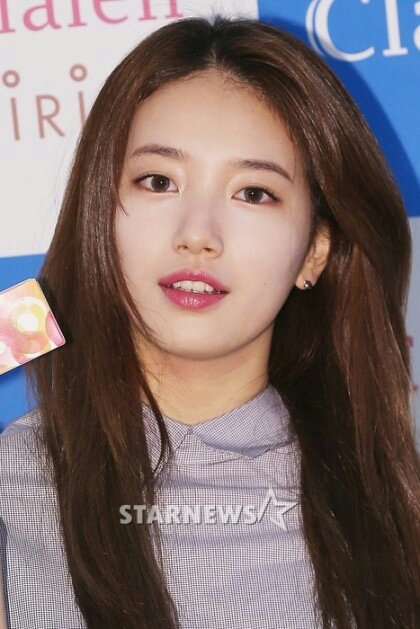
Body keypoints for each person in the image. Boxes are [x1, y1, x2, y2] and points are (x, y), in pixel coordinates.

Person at [1, 12, 419, 629]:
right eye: (158, 181)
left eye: (254, 193)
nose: (197, 234)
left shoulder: (386, 515)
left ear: (315, 251)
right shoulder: (16, 475)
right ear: (100, 213)